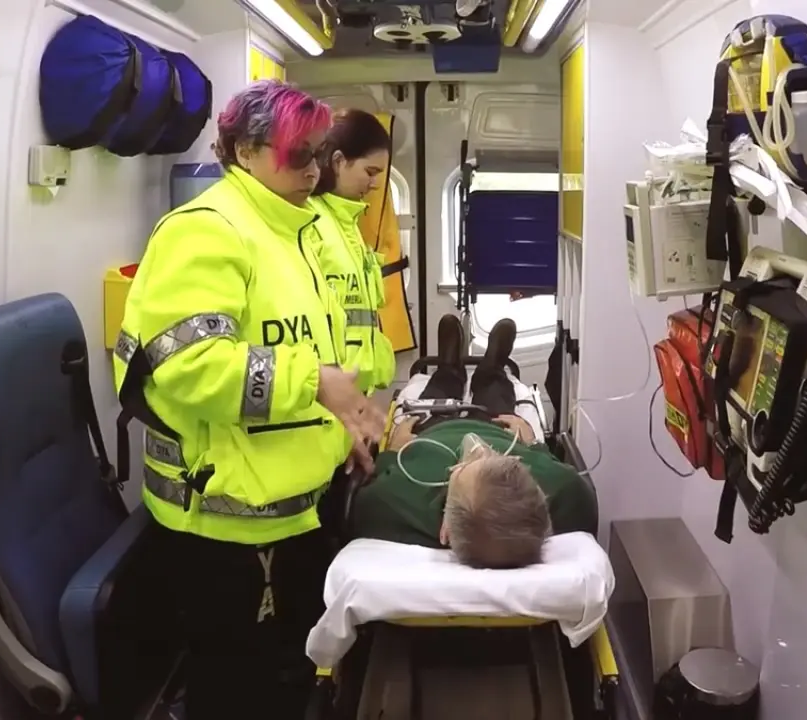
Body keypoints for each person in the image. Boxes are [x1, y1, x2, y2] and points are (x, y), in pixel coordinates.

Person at [112, 80, 384, 720]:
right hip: (227, 525)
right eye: (299, 155)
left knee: (291, 677)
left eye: (319, 153)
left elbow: (299, 343)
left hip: (292, 508)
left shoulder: (296, 232)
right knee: (239, 691)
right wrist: (314, 383)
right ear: (244, 150)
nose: (314, 171)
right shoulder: (206, 232)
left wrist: (340, 427)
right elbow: (190, 367)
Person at [350, 314, 598, 568]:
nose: (475, 444)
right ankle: (493, 367)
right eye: (499, 458)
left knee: (436, 393)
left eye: (463, 465)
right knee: (496, 393)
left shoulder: (393, 501)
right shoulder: (566, 492)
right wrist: (536, 446)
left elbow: (371, 490)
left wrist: (392, 451)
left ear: (445, 528)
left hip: (432, 429)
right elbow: (574, 493)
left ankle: (448, 368)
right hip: (501, 429)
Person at [309, 107, 396, 394]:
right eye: (370, 172)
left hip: (354, 391)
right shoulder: (310, 223)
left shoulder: (349, 226)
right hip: (326, 393)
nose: (375, 184)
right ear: (338, 162)